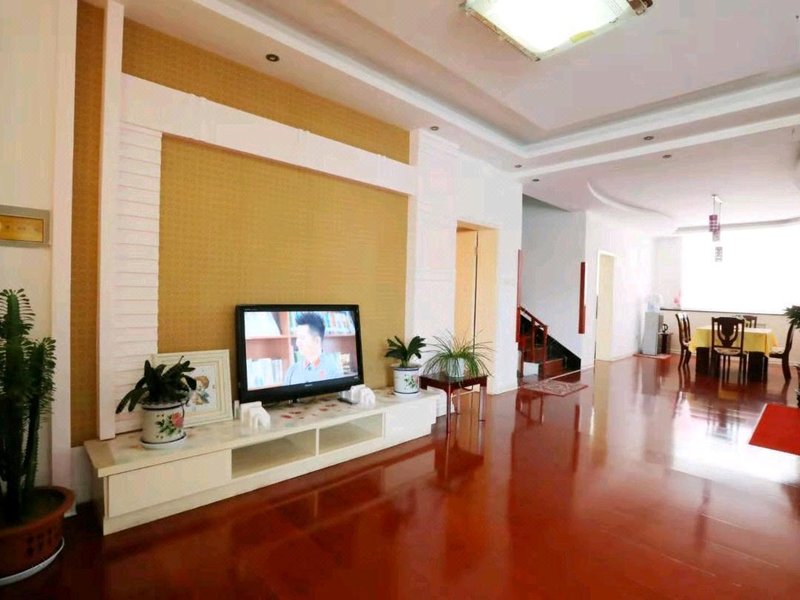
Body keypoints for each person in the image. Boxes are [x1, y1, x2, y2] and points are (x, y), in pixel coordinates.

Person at [284, 312, 343, 384]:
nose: (297, 343)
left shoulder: (333, 372)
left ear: (317, 341)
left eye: (302, 338)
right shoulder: (292, 371)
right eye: (297, 337)